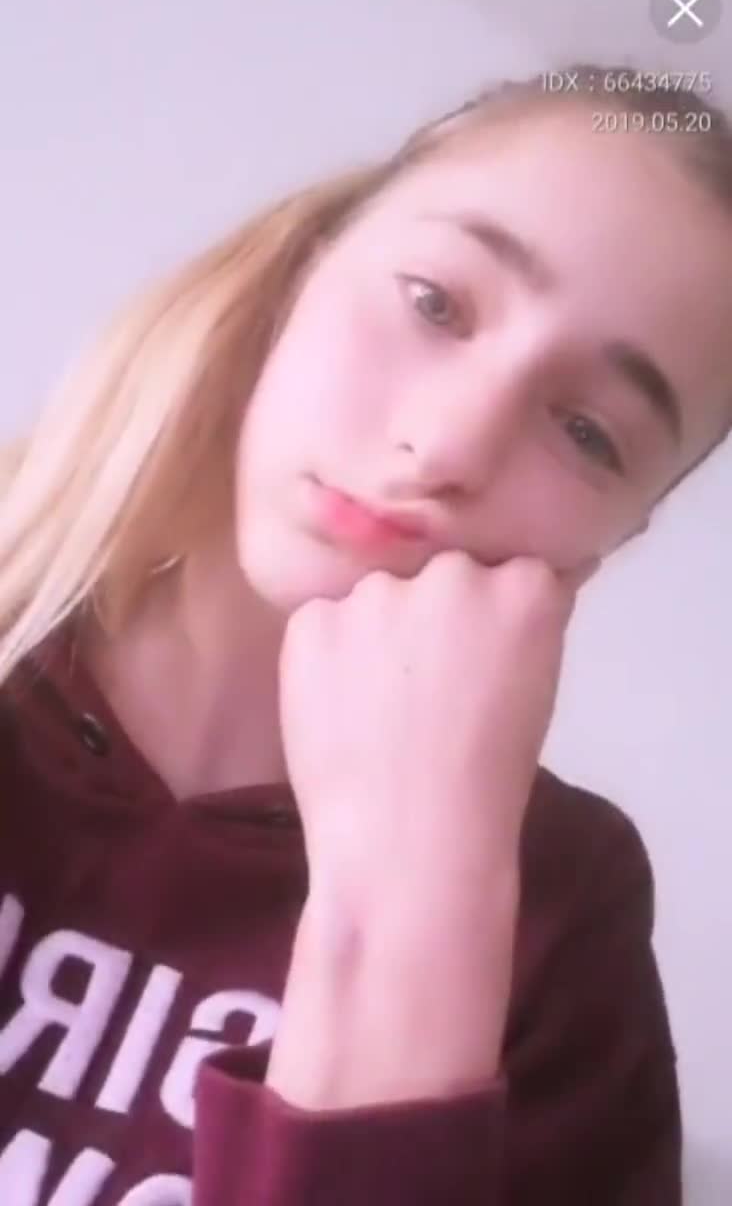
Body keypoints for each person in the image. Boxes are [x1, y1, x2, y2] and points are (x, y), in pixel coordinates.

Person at [0, 59, 730, 1206]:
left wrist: (422, 899)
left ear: (611, 538)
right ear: (302, 272)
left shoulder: (566, 904)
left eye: (589, 432)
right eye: (435, 303)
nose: (445, 445)